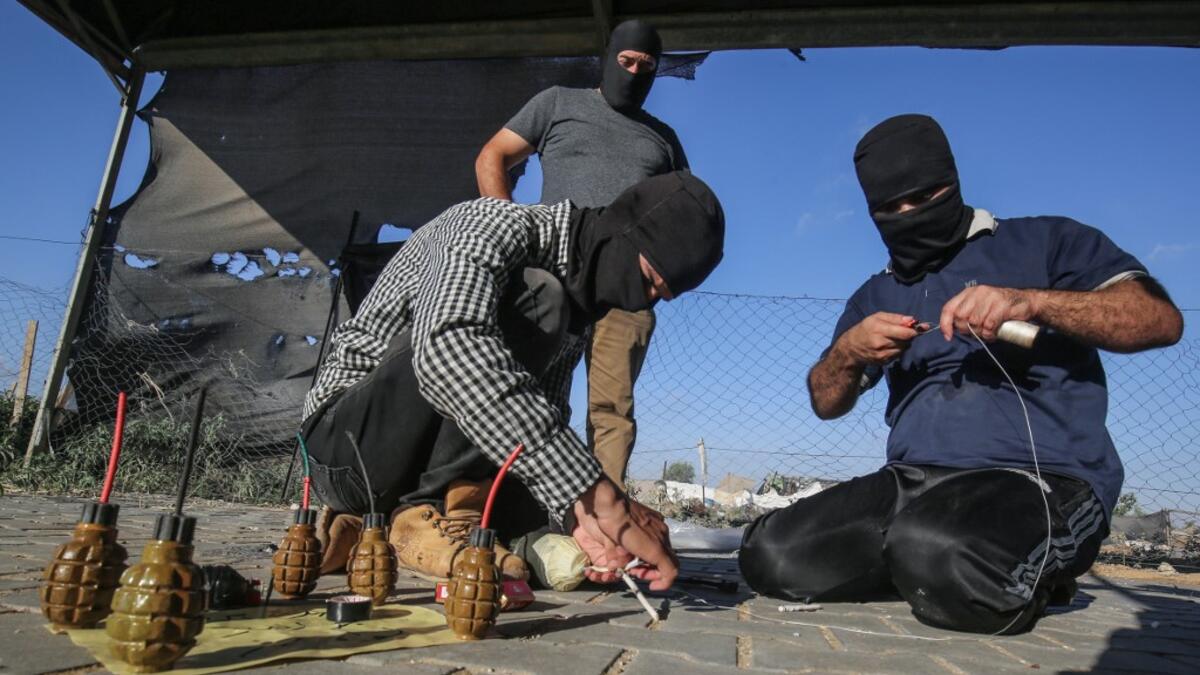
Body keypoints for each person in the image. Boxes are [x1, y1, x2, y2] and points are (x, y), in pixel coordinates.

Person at [739, 114, 1183, 634]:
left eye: (924, 196)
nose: (908, 215)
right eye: (889, 208)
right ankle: (928, 563)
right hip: (912, 484)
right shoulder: (874, 295)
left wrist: (1028, 301)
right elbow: (826, 402)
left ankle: (1017, 567)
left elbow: (1159, 319)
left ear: (952, 182)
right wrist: (847, 353)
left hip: (1043, 480)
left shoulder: (1046, 241)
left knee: (937, 548)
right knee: (771, 553)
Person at [301, 171, 724, 590]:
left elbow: (534, 430)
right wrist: (599, 496)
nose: (642, 300)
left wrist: (583, 524)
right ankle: (426, 512)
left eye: (660, 298)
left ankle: (373, 529)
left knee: (538, 510)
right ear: (620, 231)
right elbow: (446, 351)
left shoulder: (577, 313)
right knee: (539, 297)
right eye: (648, 280)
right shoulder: (487, 225)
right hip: (343, 449)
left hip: (410, 474)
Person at [475, 19, 688, 490]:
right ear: (608, 58)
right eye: (626, 61)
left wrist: (662, 272)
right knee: (528, 392)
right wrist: (506, 229)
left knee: (613, 409)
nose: (634, 72)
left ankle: (602, 524)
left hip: (626, 291)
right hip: (553, 274)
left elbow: (682, 212)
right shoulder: (558, 103)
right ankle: (514, 506)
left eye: (647, 66)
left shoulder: (663, 138)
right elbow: (493, 155)